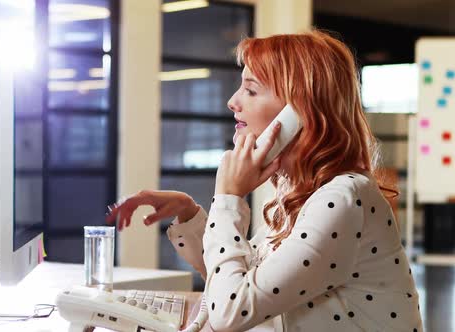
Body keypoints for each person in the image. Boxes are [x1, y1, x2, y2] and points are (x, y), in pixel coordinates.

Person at [106, 30, 422, 331]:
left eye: (251, 89)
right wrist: (190, 215)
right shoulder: (301, 193)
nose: (233, 101)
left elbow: (230, 312)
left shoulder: (341, 197)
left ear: (300, 113)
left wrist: (229, 199)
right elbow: (238, 285)